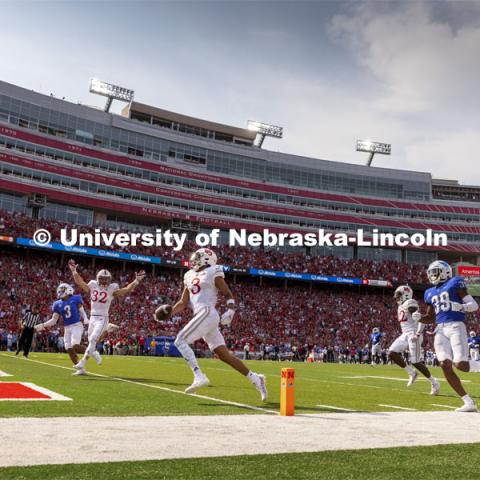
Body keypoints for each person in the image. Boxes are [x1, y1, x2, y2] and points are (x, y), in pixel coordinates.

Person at [155, 247, 267, 400]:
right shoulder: (188, 275)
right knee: (224, 355)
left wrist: (231, 310)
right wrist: (169, 314)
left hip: (207, 311)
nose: (194, 259)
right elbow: (183, 302)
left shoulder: (213, 271)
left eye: (198, 256)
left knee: (180, 340)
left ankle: (199, 376)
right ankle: (256, 378)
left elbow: (227, 293)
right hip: (202, 315)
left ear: (207, 259)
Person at [421, 260, 480, 412]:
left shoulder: (455, 282)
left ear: (445, 271)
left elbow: (474, 306)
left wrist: (460, 306)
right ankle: (468, 402)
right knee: (444, 364)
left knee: (461, 365)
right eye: (431, 273)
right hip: (440, 330)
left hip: (456, 326)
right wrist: (417, 318)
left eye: (435, 272)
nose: (432, 276)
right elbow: (430, 317)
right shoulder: (429, 292)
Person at [68, 261, 145, 370]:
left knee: (93, 339)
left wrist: (136, 281)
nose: (104, 280)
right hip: (93, 317)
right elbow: (80, 282)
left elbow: (126, 290)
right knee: (91, 341)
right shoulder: (93, 285)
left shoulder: (112, 288)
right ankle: (95, 353)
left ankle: (82, 362)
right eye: (102, 278)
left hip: (102, 317)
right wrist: (74, 271)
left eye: (106, 278)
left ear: (109, 279)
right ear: (98, 278)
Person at [388, 285, 440, 394]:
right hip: (405, 334)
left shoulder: (409, 302)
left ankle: (434, 382)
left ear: (406, 294)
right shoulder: (401, 306)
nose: (396, 297)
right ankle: (412, 373)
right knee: (392, 353)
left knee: (415, 361)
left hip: (413, 334)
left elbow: (420, 318)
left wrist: (418, 333)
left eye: (399, 295)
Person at [35, 283, 89, 375]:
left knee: (75, 345)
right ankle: (81, 369)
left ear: (68, 290)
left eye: (62, 290)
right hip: (67, 327)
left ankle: (92, 351)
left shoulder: (75, 298)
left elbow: (81, 311)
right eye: (60, 291)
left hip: (76, 325)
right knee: (68, 348)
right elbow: (54, 320)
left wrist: (85, 318)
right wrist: (43, 325)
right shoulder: (57, 304)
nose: (60, 292)